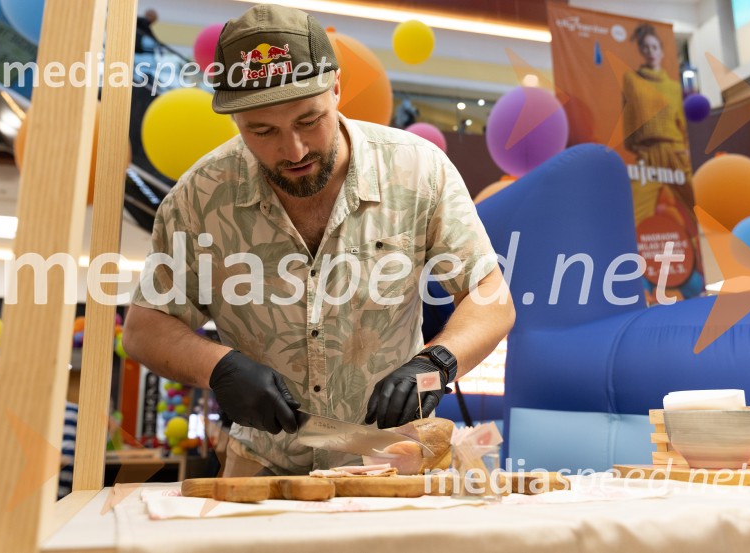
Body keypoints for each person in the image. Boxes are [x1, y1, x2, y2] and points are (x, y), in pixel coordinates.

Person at [122, 4, 515, 477]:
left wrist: (438, 362)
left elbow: (490, 296)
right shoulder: (198, 199)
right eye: (262, 131)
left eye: (309, 120)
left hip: (393, 466)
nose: (293, 150)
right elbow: (144, 328)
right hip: (261, 471)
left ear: (337, 89)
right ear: (235, 119)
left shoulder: (419, 171)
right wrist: (216, 366)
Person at [622, 23, 695, 224]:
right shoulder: (632, 80)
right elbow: (628, 114)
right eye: (645, 47)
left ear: (662, 51)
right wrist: (633, 145)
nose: (650, 52)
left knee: (698, 207)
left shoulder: (674, 87)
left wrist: (687, 149)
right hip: (647, 153)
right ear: (640, 50)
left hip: (674, 150)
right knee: (635, 216)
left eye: (654, 47)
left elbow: (682, 122)